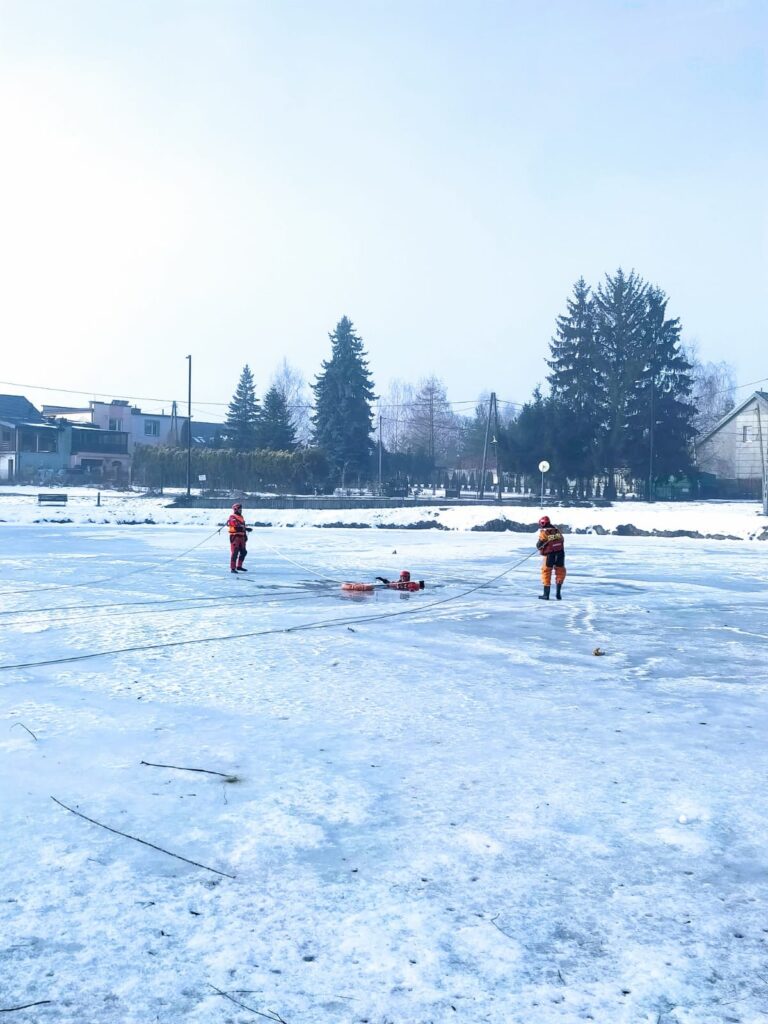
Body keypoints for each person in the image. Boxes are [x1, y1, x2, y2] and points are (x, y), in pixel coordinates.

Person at [536, 515, 566, 600]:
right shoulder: (557, 531)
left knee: (546, 572)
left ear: (543, 523)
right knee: (560, 572)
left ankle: (546, 595)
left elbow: (538, 545)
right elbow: (562, 540)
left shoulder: (544, 532)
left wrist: (542, 545)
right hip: (560, 554)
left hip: (550, 555)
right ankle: (558, 594)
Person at [227, 502, 251, 573]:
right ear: (235, 509)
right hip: (235, 537)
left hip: (242, 537)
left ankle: (239, 566)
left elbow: (242, 526)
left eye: (241, 509)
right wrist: (245, 528)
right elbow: (235, 525)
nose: (241, 510)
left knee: (244, 552)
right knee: (235, 552)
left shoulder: (241, 517)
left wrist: (245, 532)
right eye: (239, 509)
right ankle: (233, 568)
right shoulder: (232, 517)